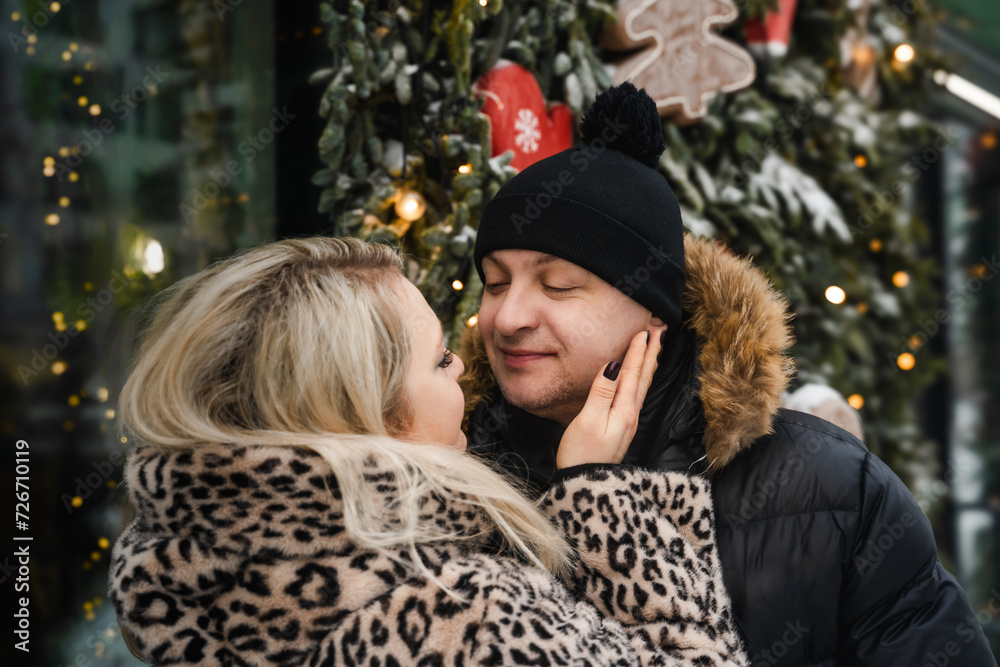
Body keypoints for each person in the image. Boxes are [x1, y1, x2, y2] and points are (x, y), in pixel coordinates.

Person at [461, 83, 997, 666]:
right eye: (495, 283)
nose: (508, 318)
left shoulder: (829, 489)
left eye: (558, 285)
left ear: (654, 313)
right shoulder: (447, 479)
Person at [108, 236, 748, 666]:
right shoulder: (461, 616)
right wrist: (597, 494)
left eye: (558, 285)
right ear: (370, 414)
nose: (465, 365)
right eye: (440, 360)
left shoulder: (173, 579)